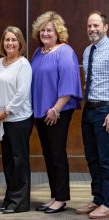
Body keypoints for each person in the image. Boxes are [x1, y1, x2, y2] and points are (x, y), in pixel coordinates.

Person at [31, 11, 82, 214]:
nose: (45, 33)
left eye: (49, 30)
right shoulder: (38, 53)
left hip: (57, 112)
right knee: (49, 154)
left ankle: (61, 199)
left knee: (57, 154)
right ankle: (54, 196)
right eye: (42, 29)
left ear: (58, 32)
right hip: (41, 112)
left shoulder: (65, 51)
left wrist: (56, 109)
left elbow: (68, 84)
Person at [0, 26, 33, 214]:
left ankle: (20, 202)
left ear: (20, 43)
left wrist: (6, 112)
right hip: (2, 120)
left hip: (18, 119)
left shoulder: (23, 64)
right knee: (8, 161)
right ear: (3, 43)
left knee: (19, 161)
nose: (10, 43)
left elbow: (22, 93)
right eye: (7, 39)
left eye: (14, 40)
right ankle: (10, 199)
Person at [76, 11, 109, 219]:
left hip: (105, 109)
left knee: (106, 160)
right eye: (89, 26)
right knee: (92, 158)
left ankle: (107, 203)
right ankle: (97, 198)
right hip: (89, 110)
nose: (92, 29)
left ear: (105, 27)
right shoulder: (87, 51)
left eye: (96, 25)